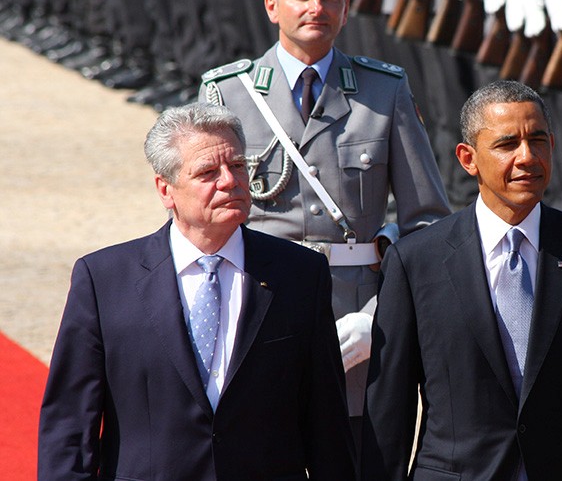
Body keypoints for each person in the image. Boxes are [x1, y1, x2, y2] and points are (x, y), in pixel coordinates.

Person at [198, 0, 451, 459]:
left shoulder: (385, 92)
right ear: (272, 7)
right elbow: (203, 225)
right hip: (259, 309)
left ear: (346, 5)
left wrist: (382, 315)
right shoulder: (228, 94)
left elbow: (428, 226)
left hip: (356, 325)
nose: (318, 8)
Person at [361, 80, 562, 480]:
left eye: (538, 140)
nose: (527, 157)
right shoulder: (416, 262)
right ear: (468, 158)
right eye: (507, 144)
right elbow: (389, 413)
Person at [38, 103, 355, 480]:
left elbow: (327, 422)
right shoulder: (103, 279)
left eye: (237, 166)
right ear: (165, 189)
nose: (229, 181)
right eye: (208, 172)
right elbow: (70, 425)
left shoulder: (301, 273)